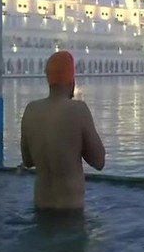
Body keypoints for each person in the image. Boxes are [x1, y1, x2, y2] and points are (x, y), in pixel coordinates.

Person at [20, 50, 106, 212]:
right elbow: (99, 161)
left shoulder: (31, 110)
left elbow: (27, 161)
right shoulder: (78, 110)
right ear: (72, 80)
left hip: (40, 210)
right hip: (70, 213)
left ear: (49, 80)